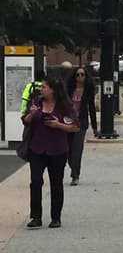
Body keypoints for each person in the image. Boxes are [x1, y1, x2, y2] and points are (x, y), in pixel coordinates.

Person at [22, 76, 79, 229]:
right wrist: (31, 114)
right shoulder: (36, 103)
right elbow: (25, 121)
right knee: (35, 182)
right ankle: (36, 217)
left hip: (58, 150)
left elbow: (75, 127)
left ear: (53, 90)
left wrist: (57, 125)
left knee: (56, 184)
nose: (41, 89)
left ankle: (56, 217)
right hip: (37, 149)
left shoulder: (64, 106)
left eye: (45, 87)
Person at [66, 66, 99, 184]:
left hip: (81, 123)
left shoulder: (88, 90)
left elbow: (92, 109)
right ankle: (73, 166)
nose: (80, 77)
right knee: (68, 149)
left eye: (82, 74)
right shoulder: (69, 89)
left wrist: (95, 127)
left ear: (86, 76)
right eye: (78, 75)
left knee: (77, 149)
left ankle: (75, 175)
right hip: (68, 122)